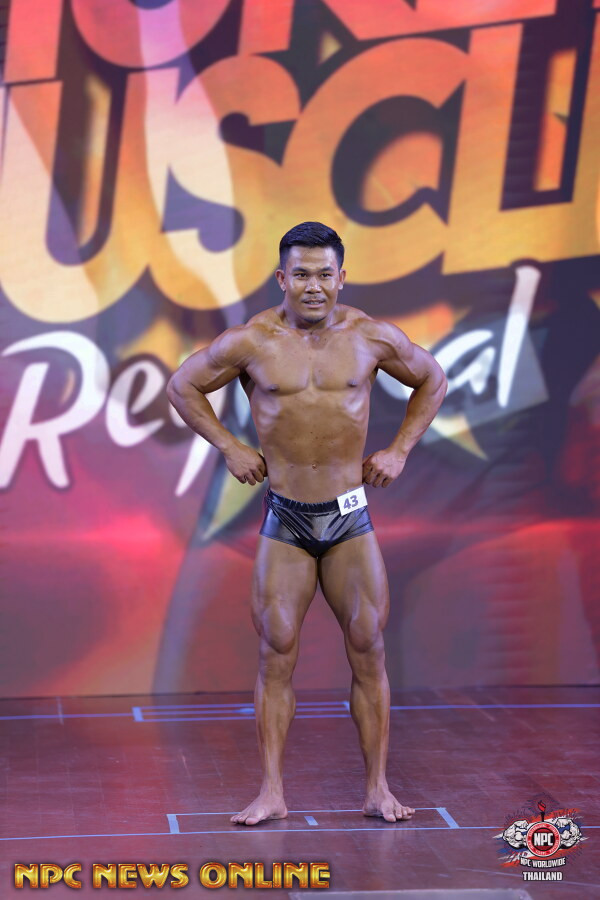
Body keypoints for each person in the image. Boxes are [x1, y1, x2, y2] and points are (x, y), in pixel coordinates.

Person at [166, 222, 447, 826]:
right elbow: (182, 385)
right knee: (276, 650)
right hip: (287, 519)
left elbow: (433, 378)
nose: (313, 286)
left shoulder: (370, 337)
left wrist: (399, 449)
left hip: (348, 518)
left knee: (368, 647)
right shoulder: (251, 341)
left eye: (324, 274)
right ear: (282, 278)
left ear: (342, 277)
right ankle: (271, 791)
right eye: (301, 274)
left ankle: (377, 789)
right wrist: (228, 446)